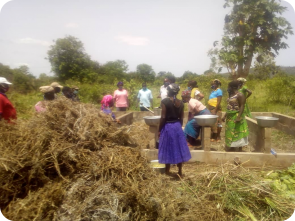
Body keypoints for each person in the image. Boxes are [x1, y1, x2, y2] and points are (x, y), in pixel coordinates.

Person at [158, 83, 191, 176]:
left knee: (167, 147)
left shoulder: (164, 102)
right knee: (178, 147)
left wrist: (159, 129)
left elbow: (163, 117)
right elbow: (181, 118)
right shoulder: (180, 103)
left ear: (169, 91)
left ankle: (167, 171)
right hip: (177, 126)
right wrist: (178, 127)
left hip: (167, 126)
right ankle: (180, 171)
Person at [222, 80, 249, 152]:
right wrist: (225, 116)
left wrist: (239, 116)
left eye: (228, 87)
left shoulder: (240, 95)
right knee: (230, 132)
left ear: (231, 87)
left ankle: (240, 148)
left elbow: (242, 106)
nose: (228, 88)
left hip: (237, 115)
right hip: (230, 116)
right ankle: (232, 146)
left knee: (238, 131)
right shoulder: (231, 95)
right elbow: (229, 106)